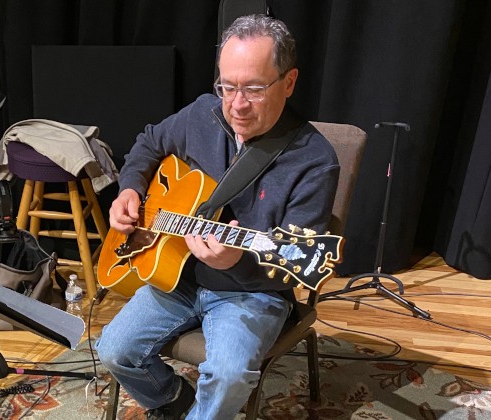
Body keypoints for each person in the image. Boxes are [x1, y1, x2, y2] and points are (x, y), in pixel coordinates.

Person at [96, 14, 339, 420]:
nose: (237, 104)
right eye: (227, 86)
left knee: (228, 377)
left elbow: (292, 267)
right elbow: (148, 143)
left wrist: (236, 260)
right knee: (114, 351)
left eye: (254, 89)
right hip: (180, 275)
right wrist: (130, 189)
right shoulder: (201, 115)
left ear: (289, 82)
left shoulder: (314, 162)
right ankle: (176, 403)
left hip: (252, 291)